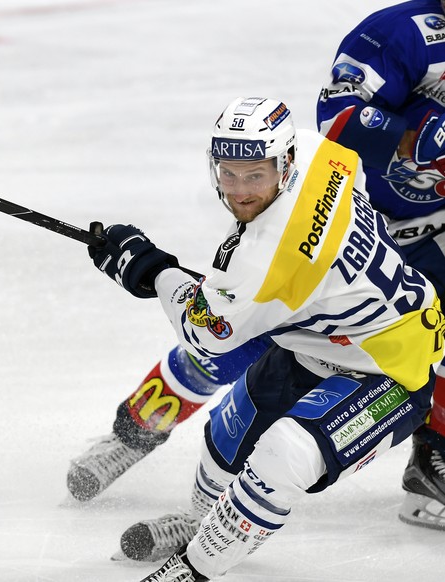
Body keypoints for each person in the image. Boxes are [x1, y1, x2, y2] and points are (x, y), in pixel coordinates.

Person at [67, 0, 445, 534]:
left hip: (431, 234)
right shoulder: (403, 34)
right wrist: (416, 134)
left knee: (429, 342)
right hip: (351, 227)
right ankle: (133, 433)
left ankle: (433, 464)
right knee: (243, 337)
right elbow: (338, 121)